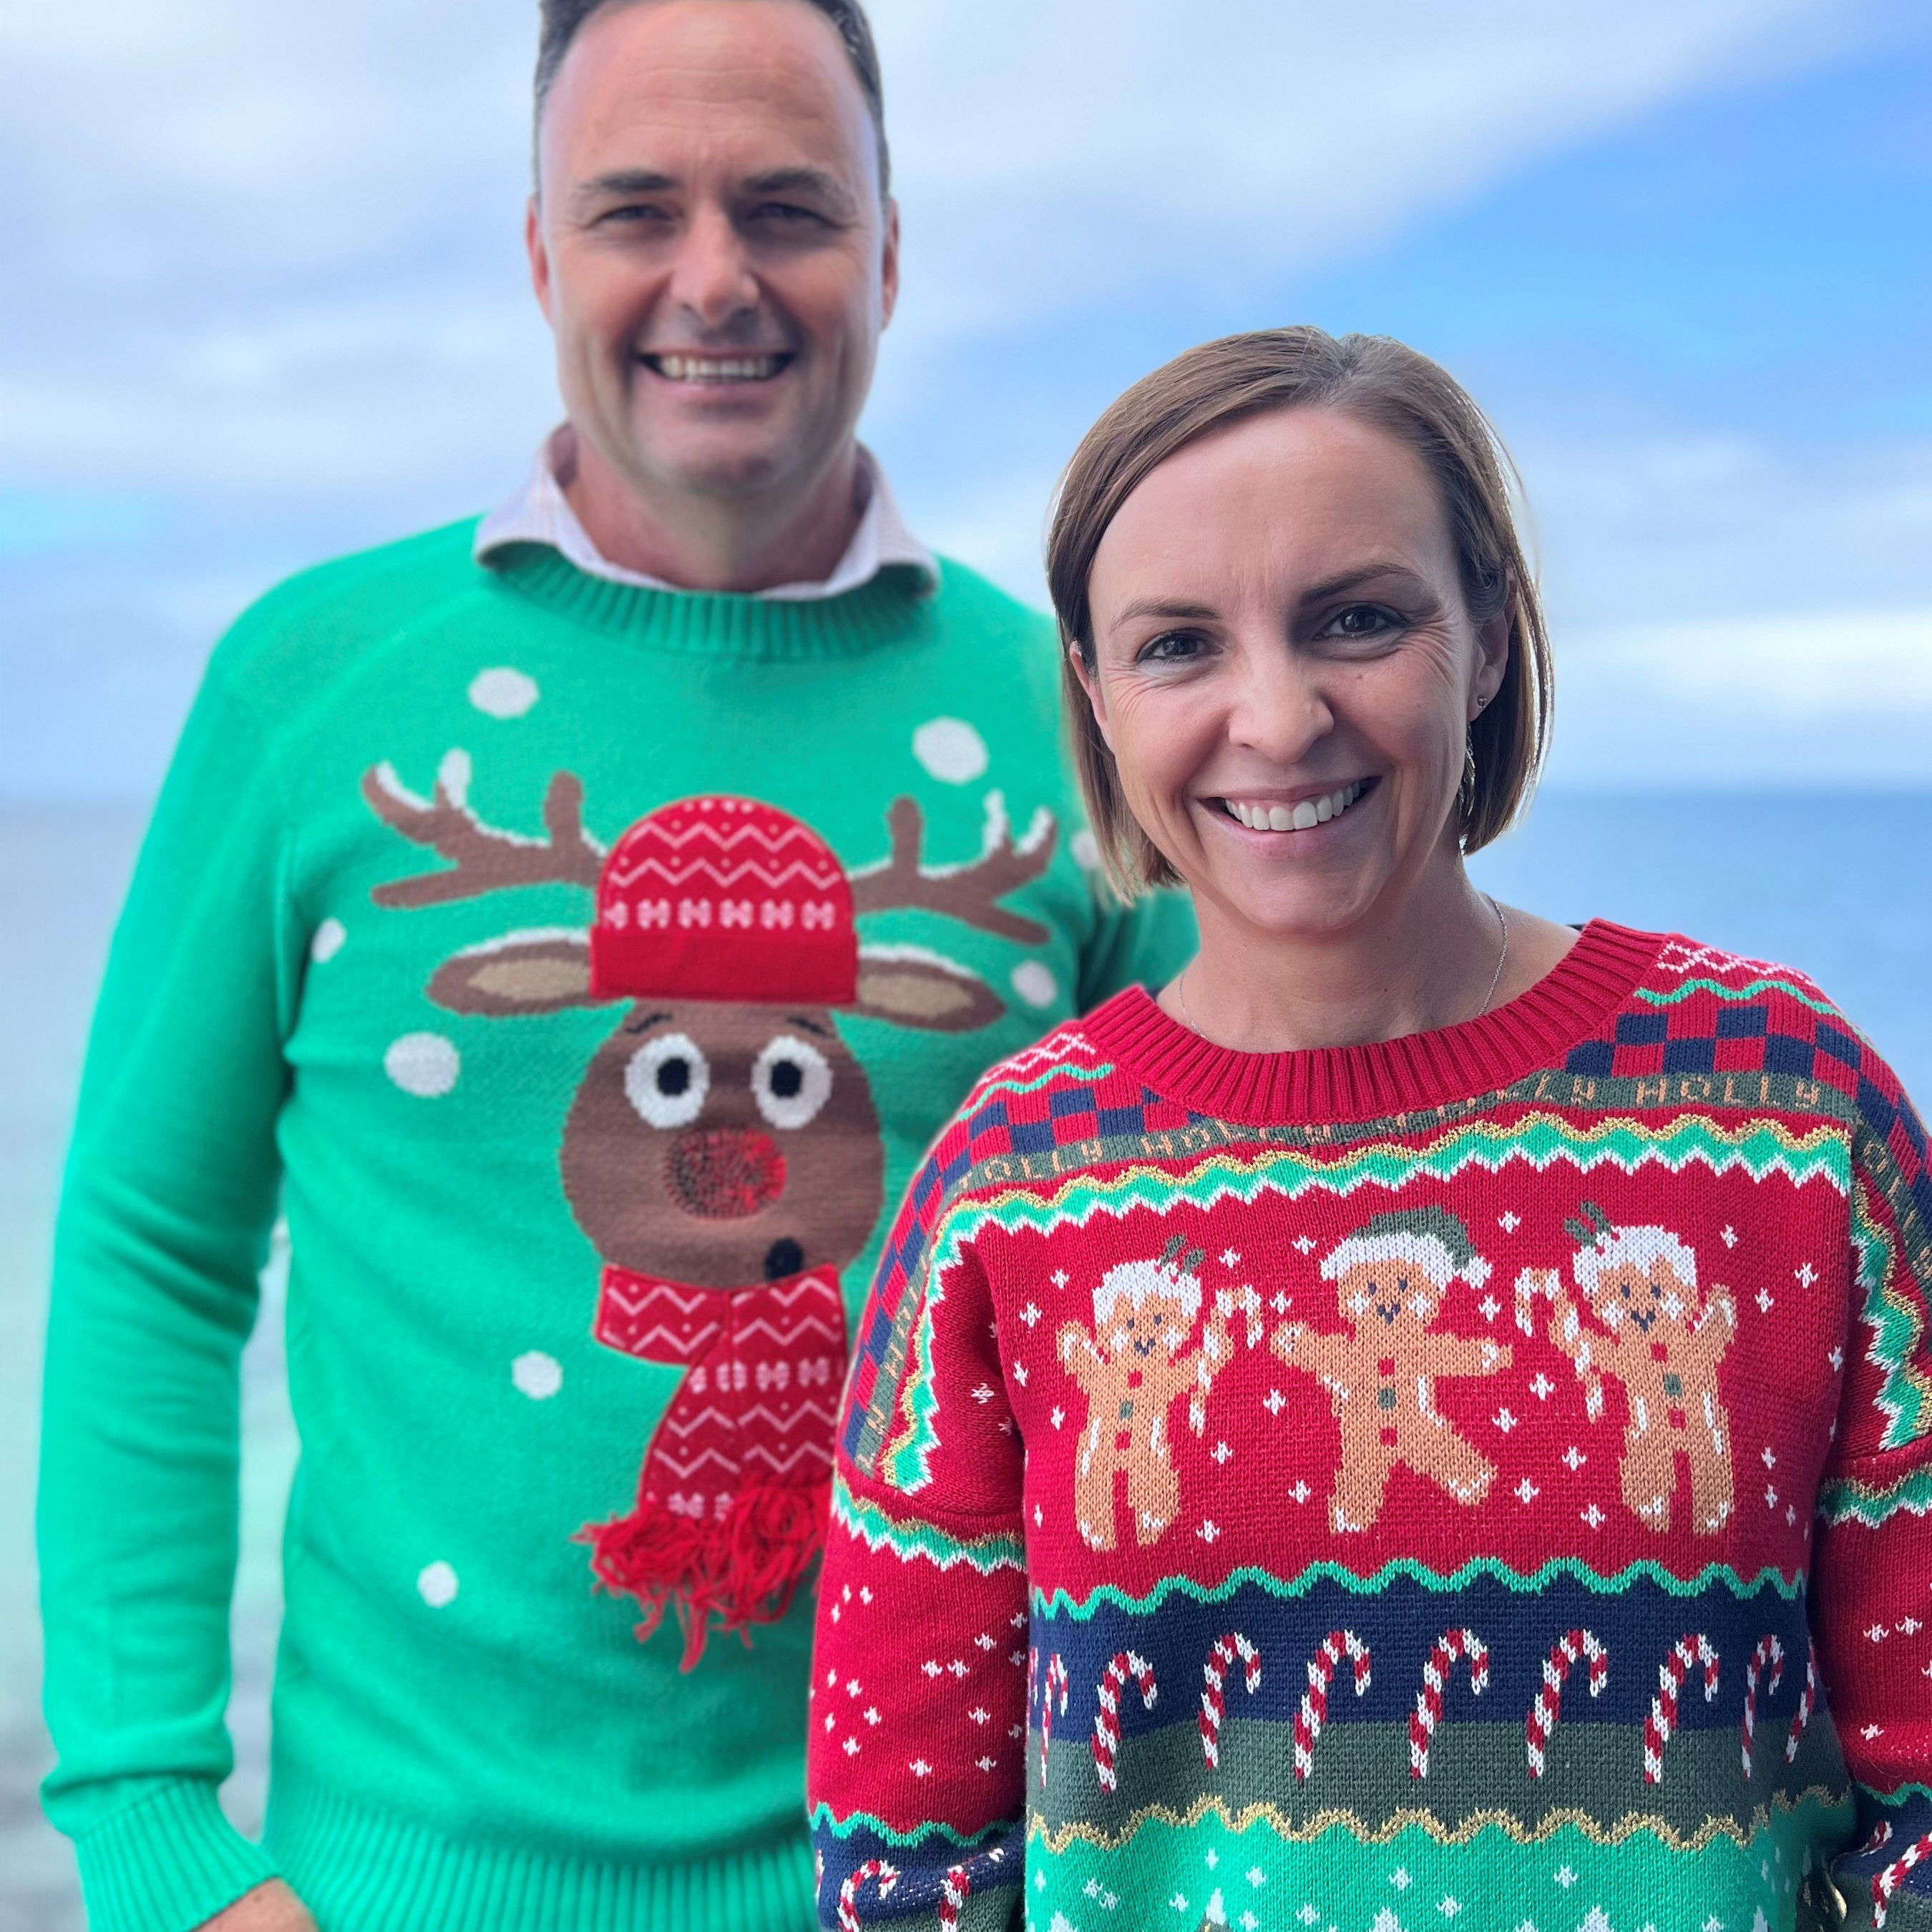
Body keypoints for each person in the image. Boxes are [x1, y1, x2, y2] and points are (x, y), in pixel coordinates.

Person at [34, 3, 1194, 1928]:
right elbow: (150, 1248)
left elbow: (1209, 1264)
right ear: (540, 254)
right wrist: (158, 1838)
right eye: (637, 207)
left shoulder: (1063, 719)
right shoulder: (312, 687)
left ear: (891, 252)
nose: (714, 278)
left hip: (942, 1885)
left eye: (790, 208)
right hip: (378, 1888)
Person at [806, 328, 1932, 1929]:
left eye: (1357, 619)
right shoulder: (1010, 1191)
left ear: (1484, 637)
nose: (1277, 719)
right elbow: (904, 1867)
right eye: (1179, 645)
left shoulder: (1790, 1112)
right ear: (1097, 697)